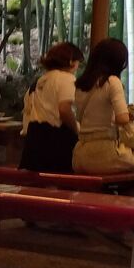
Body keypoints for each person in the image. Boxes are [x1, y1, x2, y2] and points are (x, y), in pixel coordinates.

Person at [72, 38, 134, 178]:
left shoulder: (81, 85)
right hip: (106, 154)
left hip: (81, 155)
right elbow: (122, 119)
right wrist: (128, 114)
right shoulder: (112, 82)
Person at [19, 41, 83, 173]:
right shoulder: (66, 78)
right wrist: (76, 129)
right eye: (78, 62)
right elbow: (64, 109)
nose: (77, 67)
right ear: (71, 61)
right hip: (55, 139)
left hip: (34, 137)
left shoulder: (42, 80)